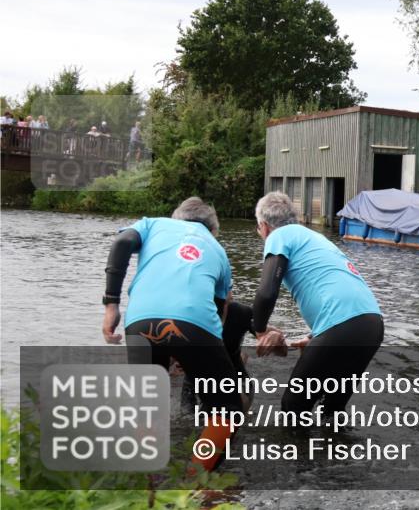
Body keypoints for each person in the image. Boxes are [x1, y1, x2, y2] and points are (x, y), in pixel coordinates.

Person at [101, 197, 244, 471]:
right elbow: (218, 311)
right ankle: (196, 482)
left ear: (176, 217)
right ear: (213, 229)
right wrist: (190, 352)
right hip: (195, 324)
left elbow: (120, 244)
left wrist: (111, 305)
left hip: (140, 320)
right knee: (228, 411)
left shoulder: (153, 225)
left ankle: (146, 486)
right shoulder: (217, 249)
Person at [252, 191, 384, 414]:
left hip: (341, 327)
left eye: (259, 230)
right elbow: (337, 288)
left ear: (264, 226)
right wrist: (316, 337)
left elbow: (266, 293)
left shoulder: (278, 236)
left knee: (293, 407)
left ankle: (296, 450)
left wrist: (260, 331)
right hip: (372, 325)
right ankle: (337, 447)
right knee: (331, 409)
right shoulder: (314, 238)